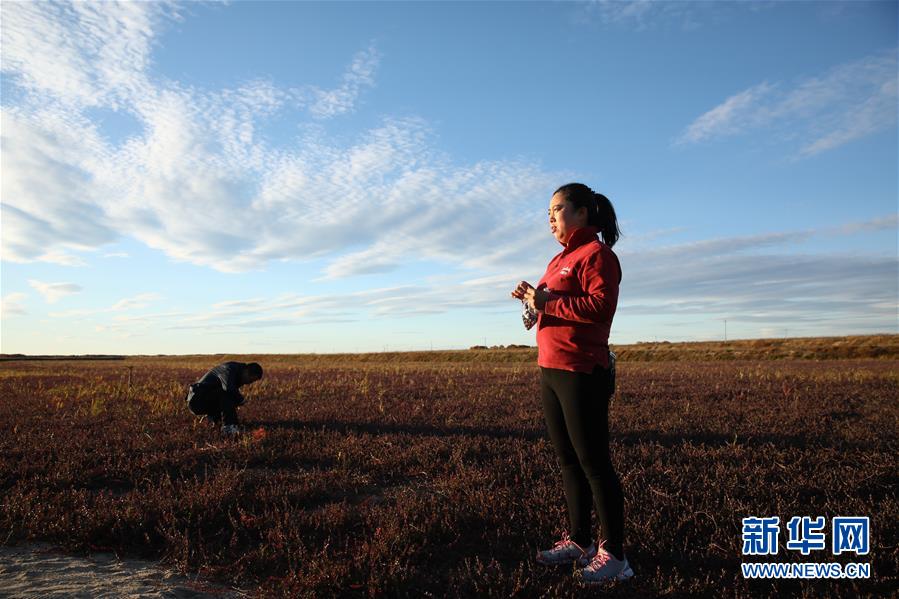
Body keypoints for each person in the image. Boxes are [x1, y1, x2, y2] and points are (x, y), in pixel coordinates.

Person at [510, 182, 632, 585]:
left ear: (582, 212)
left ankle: (614, 555)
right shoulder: (556, 260)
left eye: (557, 209)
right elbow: (548, 311)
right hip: (551, 369)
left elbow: (600, 307)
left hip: (583, 370)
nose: (550, 219)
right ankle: (580, 541)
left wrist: (543, 302)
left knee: (594, 463)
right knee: (568, 460)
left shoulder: (597, 255)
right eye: (548, 213)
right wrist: (531, 306)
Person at [186, 361, 263, 435]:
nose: (249, 383)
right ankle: (229, 428)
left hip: (203, 399)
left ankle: (213, 420)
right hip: (196, 401)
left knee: (229, 397)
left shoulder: (237, 373)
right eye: (251, 379)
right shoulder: (229, 369)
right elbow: (228, 388)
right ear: (246, 371)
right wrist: (241, 399)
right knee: (228, 394)